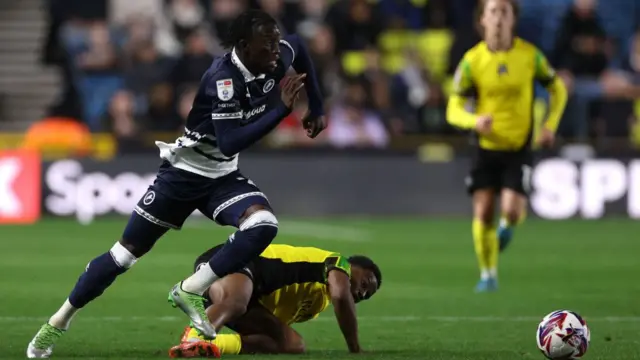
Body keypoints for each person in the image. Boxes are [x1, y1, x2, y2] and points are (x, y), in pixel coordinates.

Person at [27, 9, 327, 358]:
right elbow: (230, 141)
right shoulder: (223, 78)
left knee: (263, 224)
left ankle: (190, 289)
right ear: (245, 46)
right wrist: (282, 110)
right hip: (183, 176)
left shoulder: (274, 56)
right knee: (123, 257)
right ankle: (56, 324)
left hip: (221, 176)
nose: (277, 52)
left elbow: (300, 46)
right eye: (268, 46)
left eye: (277, 43)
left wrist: (316, 107)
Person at [446, 0, 568, 292]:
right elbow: (453, 106)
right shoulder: (472, 61)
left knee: (512, 210)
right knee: (484, 211)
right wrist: (474, 121)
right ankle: (488, 275)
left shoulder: (529, 56)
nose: (499, 18)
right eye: (493, 12)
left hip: (518, 147)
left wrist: (550, 125)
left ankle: (508, 228)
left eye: (505, 12)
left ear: (513, 19)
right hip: (486, 146)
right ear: (482, 20)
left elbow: (558, 89)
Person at [167, 243, 381, 357]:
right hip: (237, 259)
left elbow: (269, 323)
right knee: (236, 301)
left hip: (245, 296)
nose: (362, 293)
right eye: (365, 283)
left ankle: (211, 346)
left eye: (367, 295)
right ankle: (194, 337)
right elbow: (341, 296)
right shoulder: (337, 262)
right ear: (352, 266)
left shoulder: (316, 304)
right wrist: (355, 348)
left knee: (292, 344)